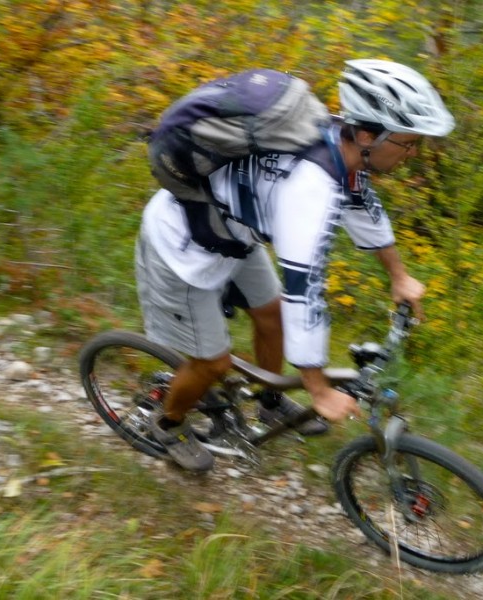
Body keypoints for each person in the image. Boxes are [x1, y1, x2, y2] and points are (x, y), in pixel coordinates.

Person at [135, 59, 455, 472]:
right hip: (183, 248)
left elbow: (364, 208)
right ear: (367, 134)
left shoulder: (341, 146)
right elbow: (305, 292)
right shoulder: (310, 192)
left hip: (232, 232)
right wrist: (318, 390)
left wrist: (399, 276)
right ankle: (167, 424)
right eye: (409, 143)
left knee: (273, 319)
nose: (413, 154)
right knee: (213, 362)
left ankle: (267, 403)